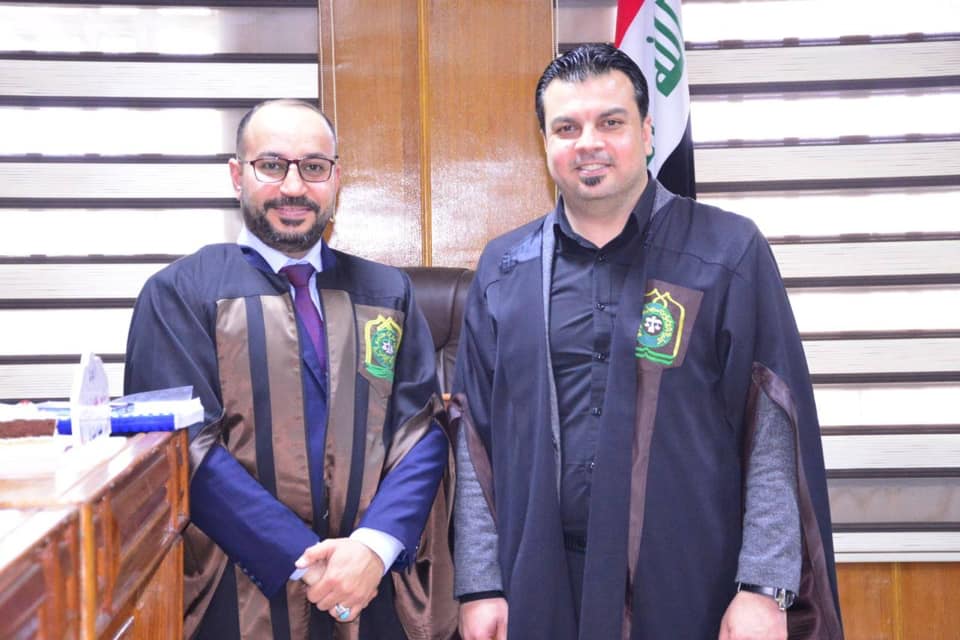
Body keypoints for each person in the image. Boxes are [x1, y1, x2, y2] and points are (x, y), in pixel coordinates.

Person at [451, 44, 844, 640]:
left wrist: (763, 587)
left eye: (611, 122)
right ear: (545, 142)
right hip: (541, 585)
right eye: (567, 127)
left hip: (690, 582)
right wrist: (481, 585)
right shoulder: (504, 268)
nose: (589, 143)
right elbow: (473, 438)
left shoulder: (727, 251)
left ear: (647, 132)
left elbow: (771, 428)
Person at [124, 99, 457, 640]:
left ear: (336, 179)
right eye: (272, 166)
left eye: (314, 167)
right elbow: (183, 446)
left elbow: (420, 432)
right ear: (238, 175)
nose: (294, 187)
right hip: (237, 591)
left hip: (371, 588)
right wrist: (305, 561)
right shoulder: (180, 295)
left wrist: (372, 549)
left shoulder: (386, 293)